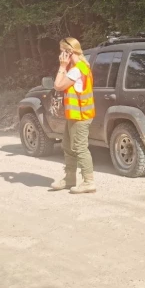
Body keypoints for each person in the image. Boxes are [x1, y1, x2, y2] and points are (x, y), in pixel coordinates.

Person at [50, 37, 96, 194]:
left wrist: (62, 66)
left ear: (69, 52)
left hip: (81, 116)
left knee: (79, 148)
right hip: (75, 115)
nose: (60, 56)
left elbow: (58, 85)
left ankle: (88, 182)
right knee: (68, 146)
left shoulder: (77, 69)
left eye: (62, 52)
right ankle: (70, 178)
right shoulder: (79, 67)